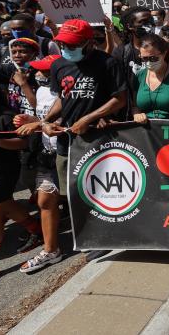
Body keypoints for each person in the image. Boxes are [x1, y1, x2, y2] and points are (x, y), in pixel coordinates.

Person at [40, 20, 128, 201]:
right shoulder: (58, 65)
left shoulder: (107, 63)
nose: (67, 48)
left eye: (73, 44)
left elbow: (120, 100)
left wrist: (88, 119)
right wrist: (46, 121)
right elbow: (62, 98)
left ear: (90, 42)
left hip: (99, 140)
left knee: (102, 192)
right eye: (63, 44)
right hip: (67, 141)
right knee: (71, 195)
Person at [0, 73, 40, 290]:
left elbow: (23, 143)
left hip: (1, 171)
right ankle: (37, 229)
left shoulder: (7, 116)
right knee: (5, 206)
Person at [14, 55, 64, 274]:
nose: (39, 74)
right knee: (44, 200)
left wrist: (39, 125)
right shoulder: (42, 90)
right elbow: (42, 118)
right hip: (47, 153)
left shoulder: (68, 93)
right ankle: (51, 250)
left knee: (79, 199)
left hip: (68, 153)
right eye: (38, 70)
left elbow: (66, 123)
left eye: (45, 71)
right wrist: (31, 121)